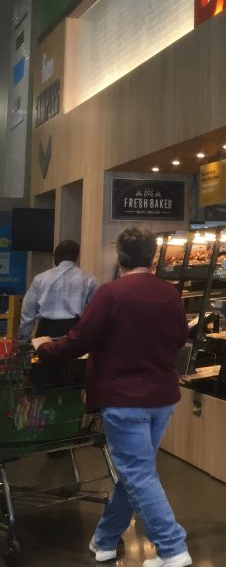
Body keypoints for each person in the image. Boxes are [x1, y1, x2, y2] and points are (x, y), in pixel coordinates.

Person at [32, 227, 191, 567]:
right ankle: (104, 540)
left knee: (137, 473)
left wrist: (44, 348)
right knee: (135, 470)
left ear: (120, 257)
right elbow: (179, 338)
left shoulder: (111, 293)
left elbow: (79, 341)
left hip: (123, 397)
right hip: (162, 396)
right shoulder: (170, 294)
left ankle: (172, 547)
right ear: (152, 257)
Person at [17, 240, 99, 342]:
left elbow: (28, 313)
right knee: (75, 358)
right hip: (75, 331)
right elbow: (97, 310)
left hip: (46, 331)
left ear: (56, 255)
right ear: (76, 257)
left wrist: (23, 338)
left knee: (45, 357)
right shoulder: (89, 279)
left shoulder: (40, 279)